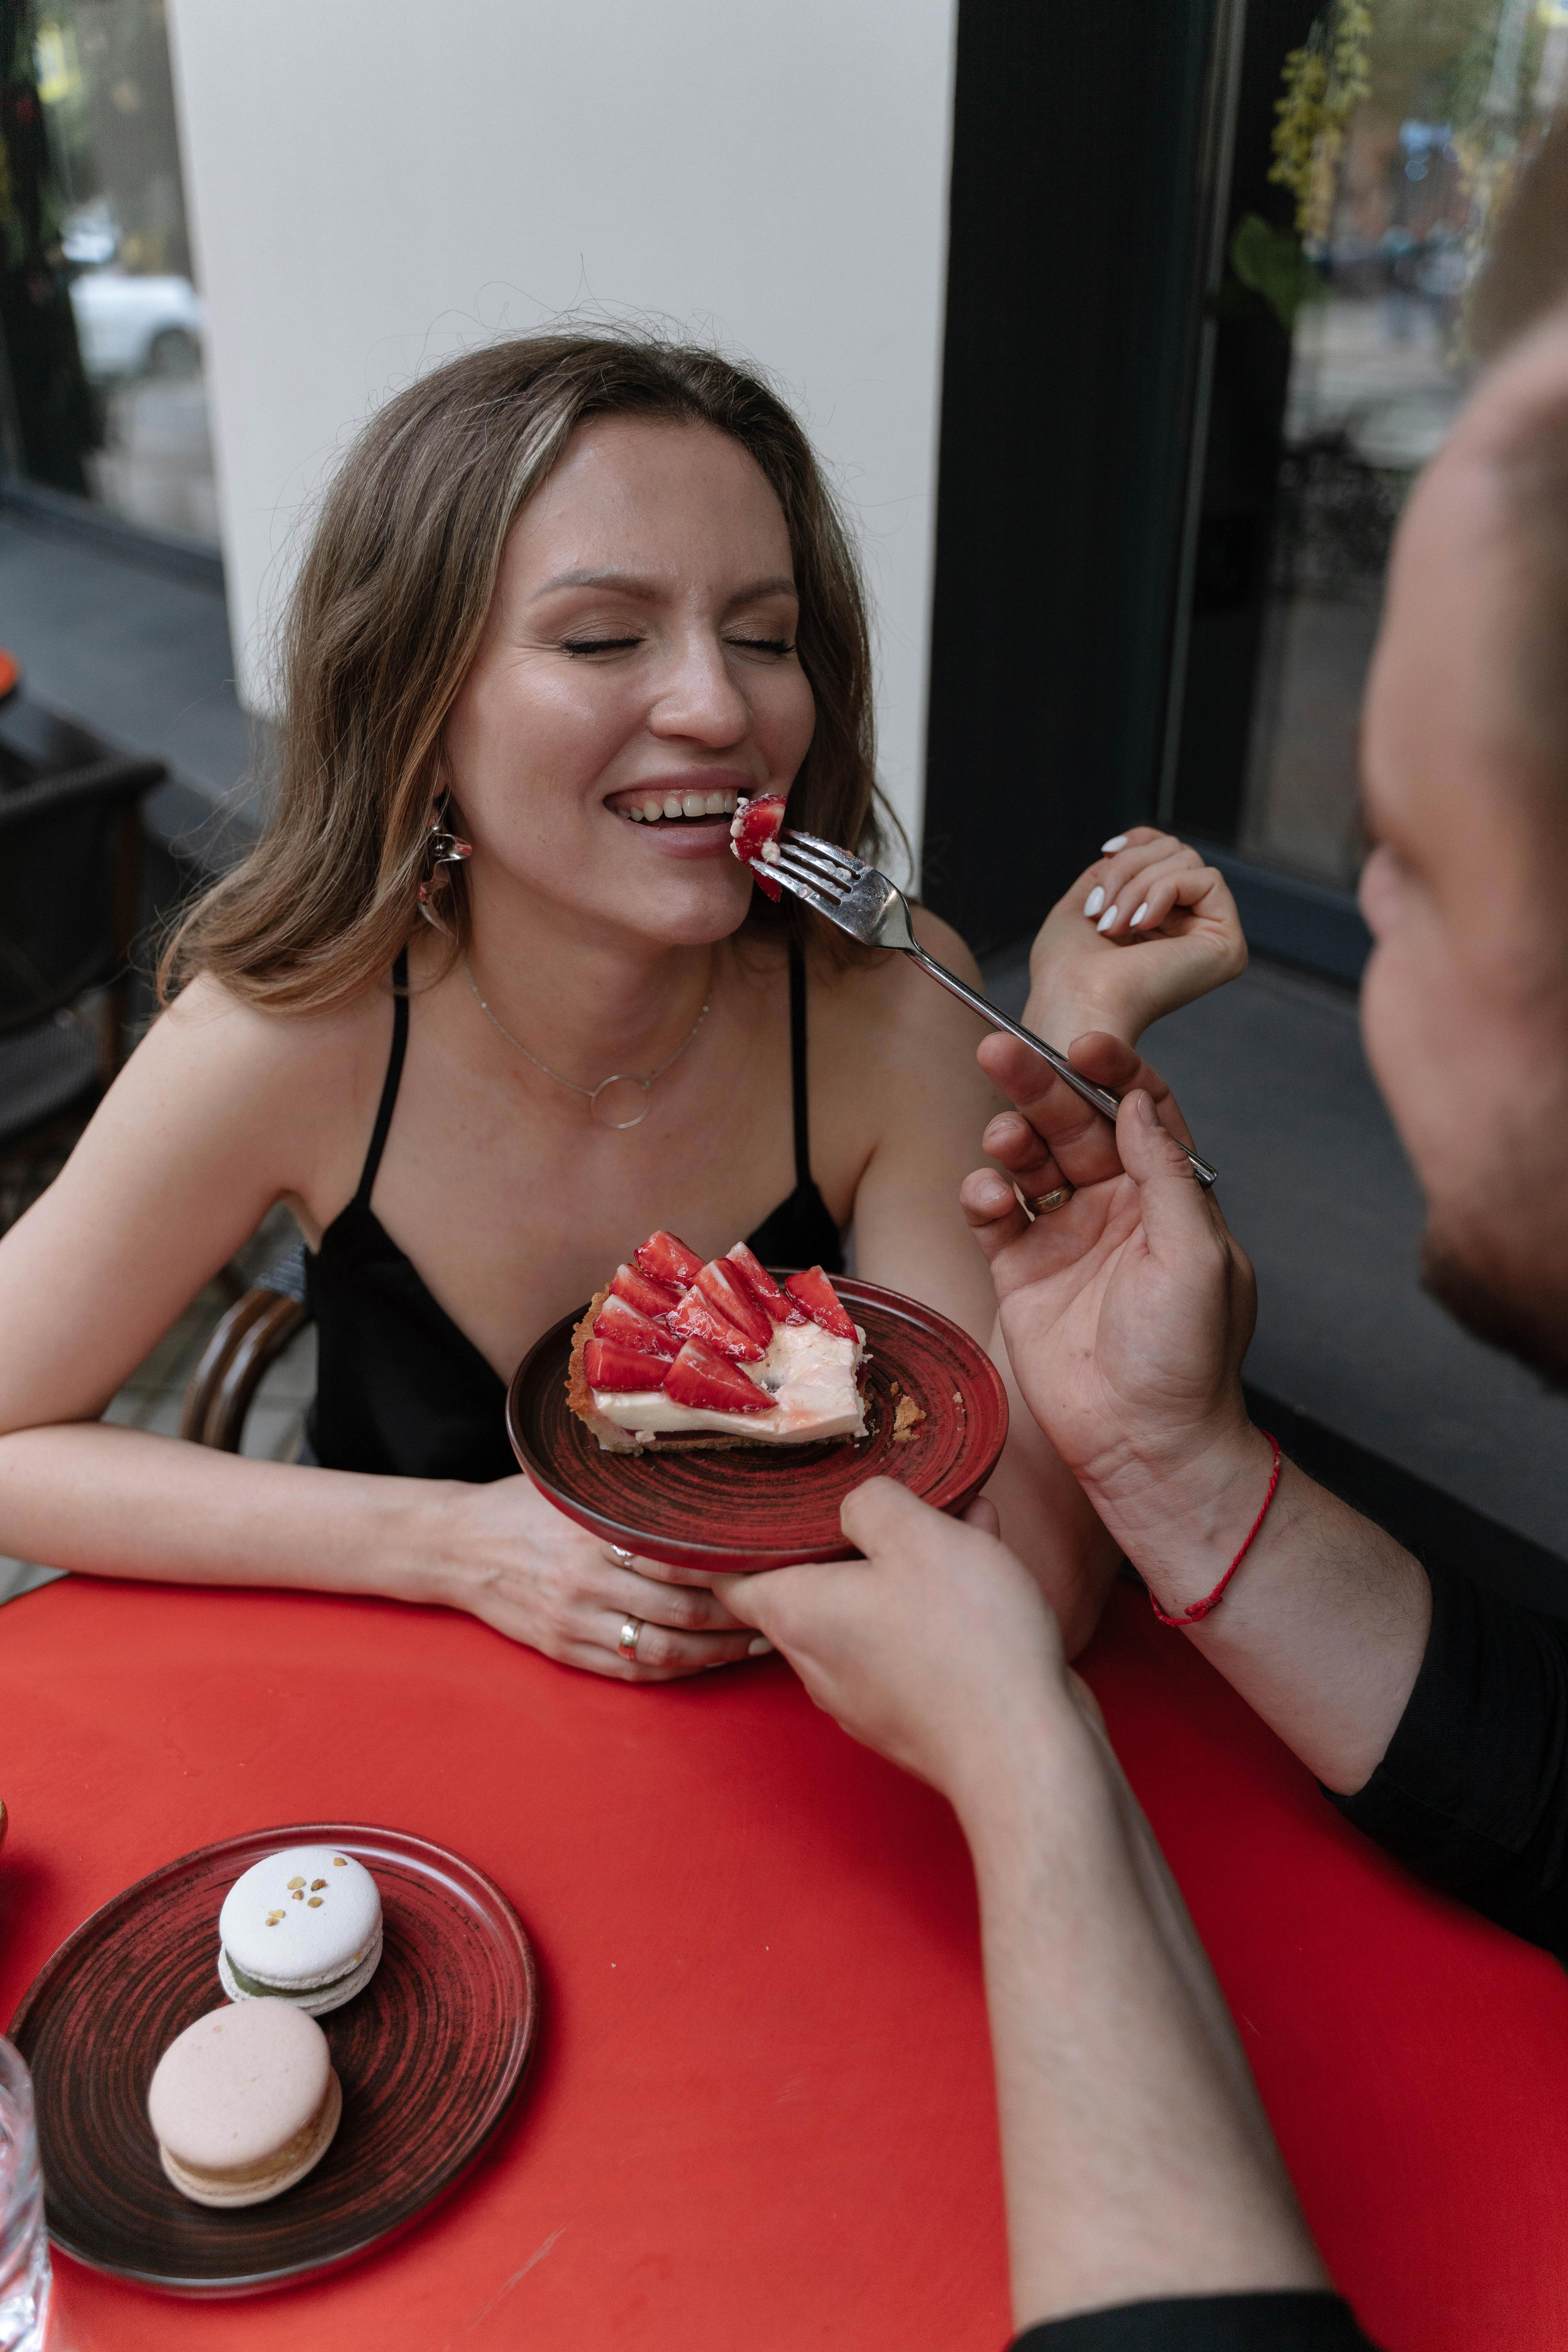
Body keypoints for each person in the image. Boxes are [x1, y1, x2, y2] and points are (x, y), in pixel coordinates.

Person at [715, 138, 1568, 2348]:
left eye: (1425, 866)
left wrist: (1018, 1757)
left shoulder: (882, 1008)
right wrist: (1192, 1474)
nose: (1356, 913)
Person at [0, 331, 1243, 1679]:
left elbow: (1022, 1589)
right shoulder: (289, 1037)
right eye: (602, 637)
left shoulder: (883, 1003)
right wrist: (455, 1547)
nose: (720, 707)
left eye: (763, 638)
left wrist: (1055, 1041)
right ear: (413, 705)